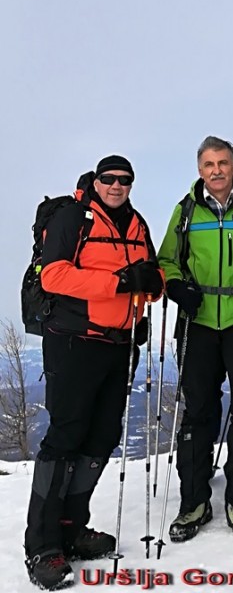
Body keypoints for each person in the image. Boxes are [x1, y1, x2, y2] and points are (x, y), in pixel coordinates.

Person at [24, 155, 164, 591]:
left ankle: (72, 526)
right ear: (96, 180)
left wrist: (151, 284)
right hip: (73, 339)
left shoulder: (137, 224)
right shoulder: (71, 217)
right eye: (110, 179)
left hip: (120, 344)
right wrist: (120, 283)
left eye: (125, 180)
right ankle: (43, 545)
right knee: (66, 436)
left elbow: (152, 275)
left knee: (102, 435)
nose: (117, 185)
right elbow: (55, 275)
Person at [157, 136, 233, 544]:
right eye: (209, 164)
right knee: (197, 411)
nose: (217, 171)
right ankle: (194, 501)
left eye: (223, 163)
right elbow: (168, 261)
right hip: (199, 321)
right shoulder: (187, 209)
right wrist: (177, 288)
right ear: (200, 169)